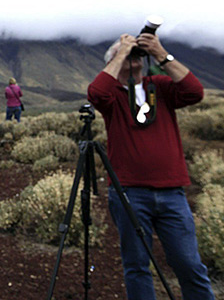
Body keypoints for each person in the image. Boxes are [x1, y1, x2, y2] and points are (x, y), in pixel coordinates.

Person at [87, 32, 215, 300]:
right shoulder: (113, 98)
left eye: (136, 55)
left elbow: (194, 92)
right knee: (137, 266)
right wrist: (121, 51)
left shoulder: (160, 87)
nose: (134, 58)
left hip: (172, 191)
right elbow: (96, 92)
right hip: (129, 193)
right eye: (127, 55)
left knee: (189, 264)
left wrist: (160, 53)